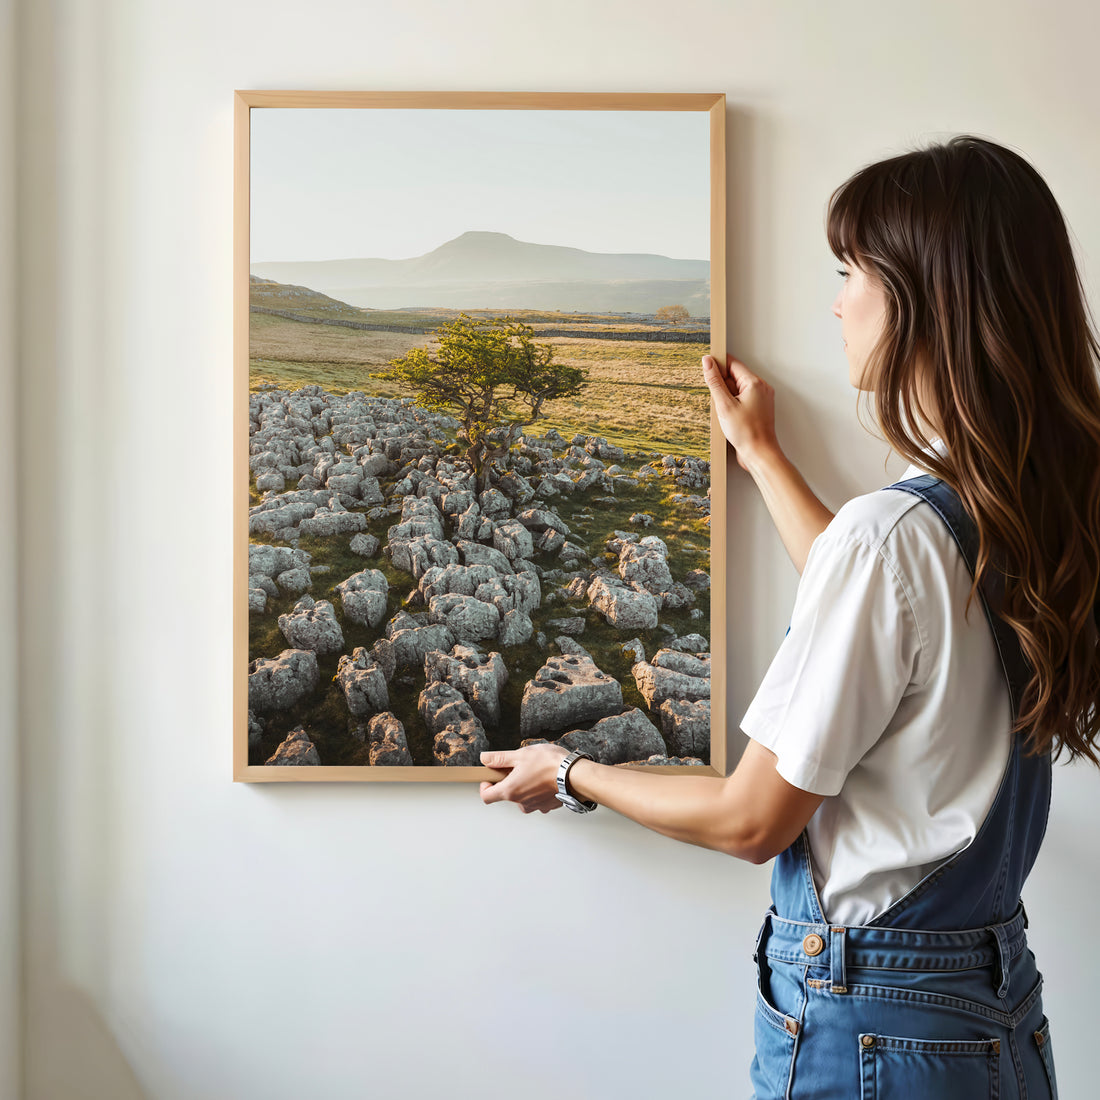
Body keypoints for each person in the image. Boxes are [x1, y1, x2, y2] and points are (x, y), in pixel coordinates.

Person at [478, 134, 1100, 1098]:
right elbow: (890, 624)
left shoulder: (894, 536)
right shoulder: (1019, 507)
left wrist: (569, 770)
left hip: (874, 1027)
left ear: (925, 299)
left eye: (852, 271)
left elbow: (750, 819)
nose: (838, 300)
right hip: (986, 1012)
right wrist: (763, 455)